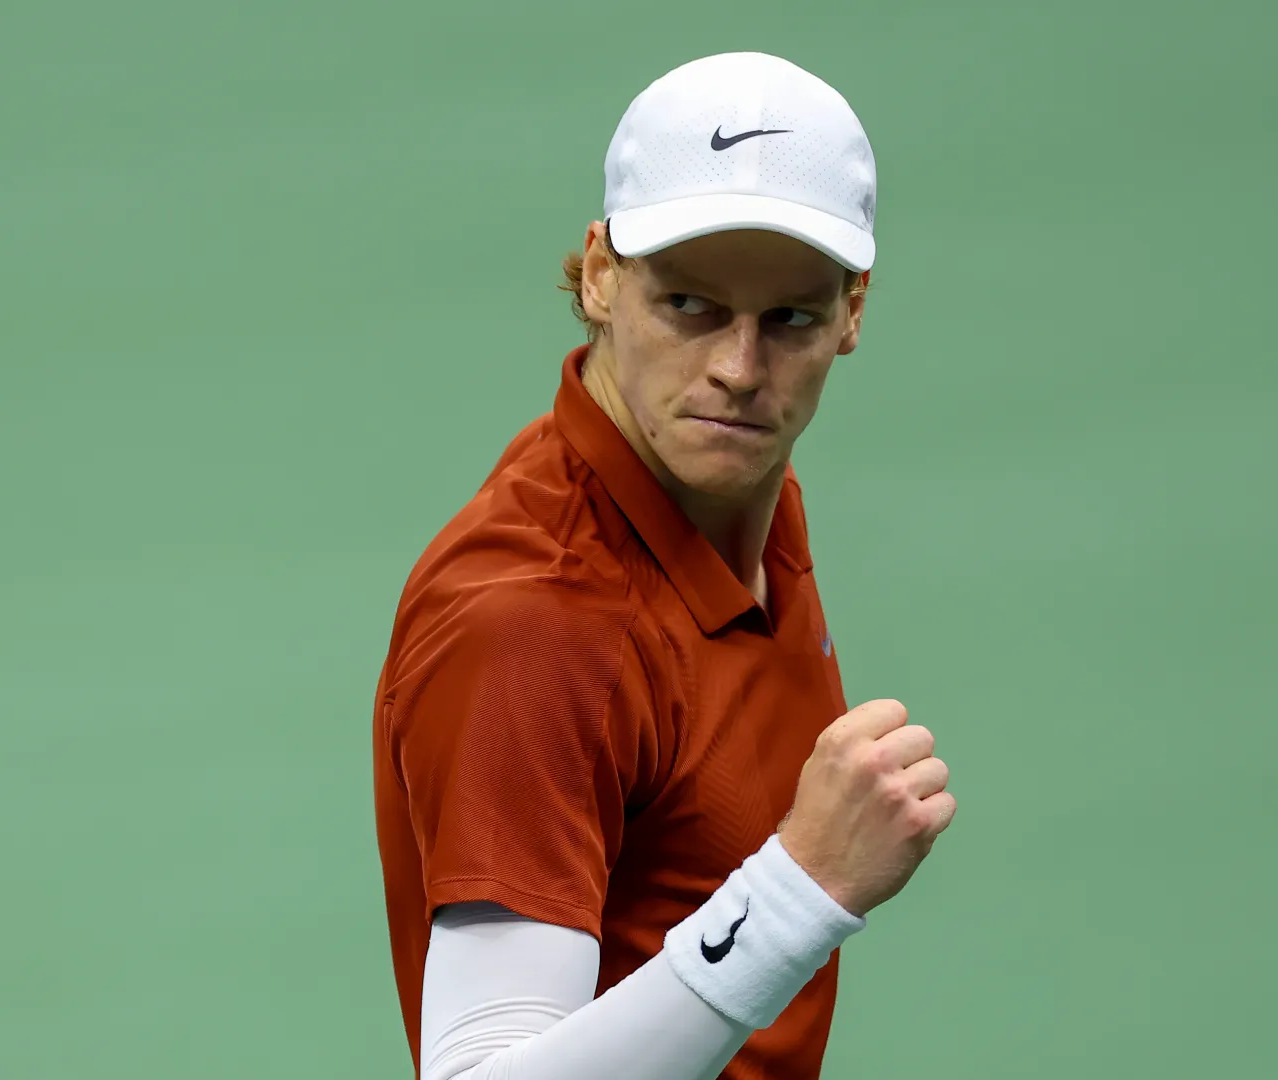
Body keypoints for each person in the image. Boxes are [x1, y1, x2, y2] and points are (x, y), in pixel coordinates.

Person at [370, 51, 956, 1080]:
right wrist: (801, 889)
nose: (738, 370)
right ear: (601, 275)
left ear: (852, 314)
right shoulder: (535, 627)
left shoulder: (741, 493)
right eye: (689, 305)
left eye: (790, 319)